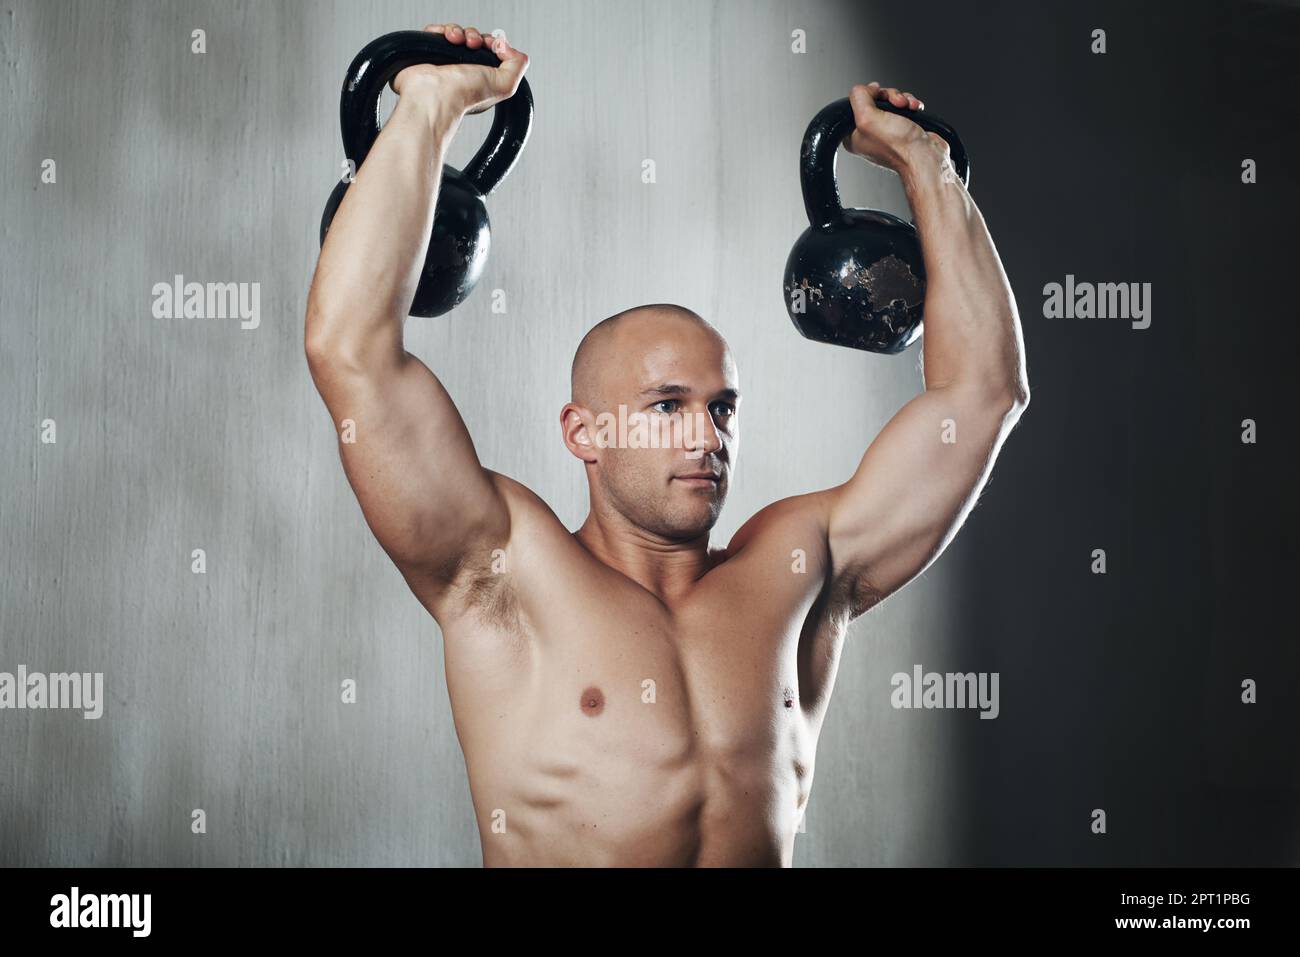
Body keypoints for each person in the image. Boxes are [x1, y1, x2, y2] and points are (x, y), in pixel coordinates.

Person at [305, 22, 1029, 866]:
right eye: (667, 405)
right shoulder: (502, 568)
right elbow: (350, 349)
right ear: (583, 433)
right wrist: (428, 113)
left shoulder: (799, 569)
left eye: (723, 408)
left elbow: (983, 395)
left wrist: (926, 166)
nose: (706, 434)